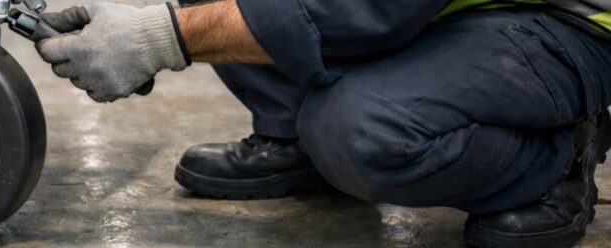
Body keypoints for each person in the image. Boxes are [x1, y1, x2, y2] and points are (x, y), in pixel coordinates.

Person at [33, 0, 611, 247]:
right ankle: (293, 136)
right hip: (432, 14)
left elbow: (371, 10)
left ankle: (555, 156)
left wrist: (167, 36)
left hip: (551, 24)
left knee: (364, 131)